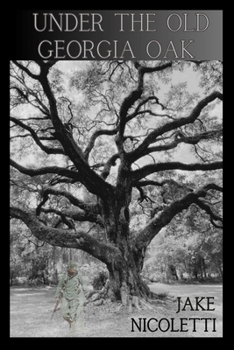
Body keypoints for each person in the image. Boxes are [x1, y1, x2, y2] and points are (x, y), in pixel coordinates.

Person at [55, 261, 86, 335]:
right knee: (64, 314)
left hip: (74, 298)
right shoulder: (64, 276)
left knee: (73, 314)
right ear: (69, 268)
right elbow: (59, 286)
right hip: (65, 297)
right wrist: (57, 296)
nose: (75, 269)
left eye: (75, 268)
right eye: (73, 268)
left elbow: (83, 284)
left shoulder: (78, 275)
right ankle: (70, 322)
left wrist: (86, 293)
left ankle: (72, 330)